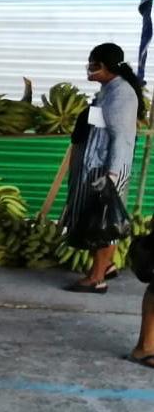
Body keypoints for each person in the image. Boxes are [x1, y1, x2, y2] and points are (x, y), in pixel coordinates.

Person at [62, 42, 146, 293]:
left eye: (93, 64)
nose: (89, 69)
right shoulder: (108, 90)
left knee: (105, 222)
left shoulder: (121, 94)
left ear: (105, 66)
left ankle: (97, 279)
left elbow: (122, 137)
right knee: (95, 218)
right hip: (95, 167)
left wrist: (112, 174)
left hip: (108, 170)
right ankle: (106, 266)